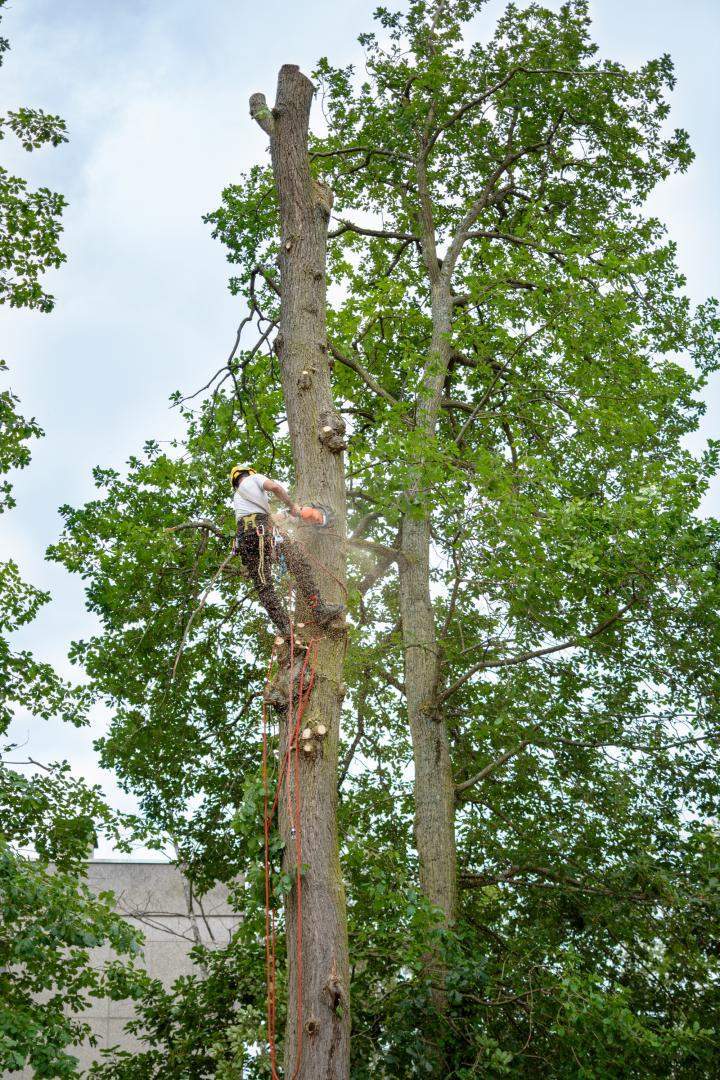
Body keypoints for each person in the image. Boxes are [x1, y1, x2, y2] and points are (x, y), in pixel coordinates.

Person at [229, 463, 344, 639]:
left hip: (247, 540)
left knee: (264, 587)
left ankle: (286, 629)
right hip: (262, 534)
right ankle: (319, 609)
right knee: (298, 562)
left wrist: (288, 515)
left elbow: (264, 519)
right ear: (249, 473)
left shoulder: (239, 499)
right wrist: (291, 505)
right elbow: (275, 487)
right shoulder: (255, 478)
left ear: (235, 482)